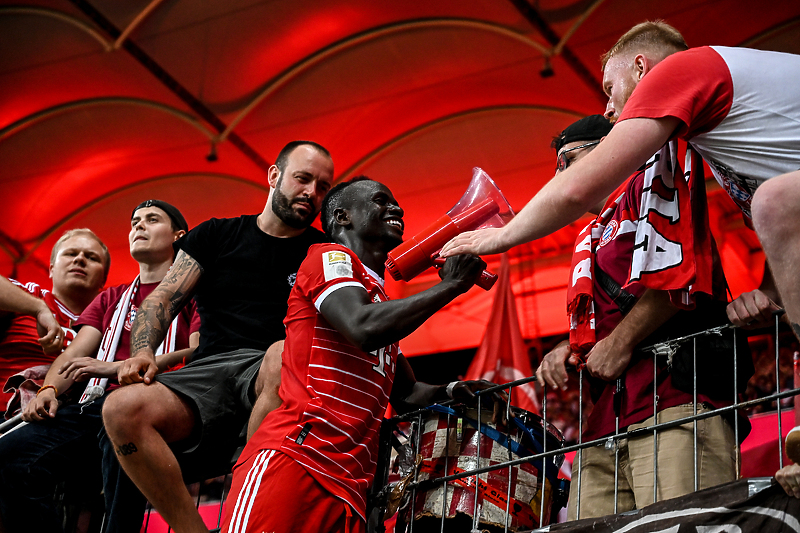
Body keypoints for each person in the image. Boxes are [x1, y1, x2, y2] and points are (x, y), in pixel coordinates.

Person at [439, 21, 800, 339]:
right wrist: (768, 290)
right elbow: (785, 223)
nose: (608, 109)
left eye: (610, 88)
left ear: (642, 68)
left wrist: (502, 235)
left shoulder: (679, 70)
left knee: (771, 201)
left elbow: (578, 187)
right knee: (771, 202)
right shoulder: (719, 134)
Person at [221, 177, 502, 533]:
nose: (396, 208)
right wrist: (451, 285)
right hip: (296, 459)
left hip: (351, 486)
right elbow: (361, 327)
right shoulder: (329, 256)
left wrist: (451, 391)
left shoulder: (380, 303)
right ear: (342, 216)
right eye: (381, 201)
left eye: (396, 202)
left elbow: (404, 393)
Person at [101, 141, 334, 532]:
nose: (312, 192)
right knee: (119, 408)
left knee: (281, 352)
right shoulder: (216, 235)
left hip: (279, 370)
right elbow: (162, 299)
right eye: (303, 178)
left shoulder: (324, 251)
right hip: (209, 373)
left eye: (323, 186)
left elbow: (358, 322)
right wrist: (142, 351)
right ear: (274, 176)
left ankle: (244, 513)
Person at [534, 116, 747, 519]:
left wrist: (620, 342)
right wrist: (570, 344)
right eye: (557, 165)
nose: (561, 174)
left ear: (613, 150)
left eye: (570, 159)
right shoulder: (591, 234)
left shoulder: (653, 186)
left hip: (677, 400)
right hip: (604, 425)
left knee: (681, 526)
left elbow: (681, 274)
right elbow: (609, 318)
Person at [0, 200, 198, 533]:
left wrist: (123, 366)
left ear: (179, 236)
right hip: (91, 407)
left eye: (152, 220)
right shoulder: (110, 298)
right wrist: (49, 389)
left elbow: (200, 352)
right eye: (135, 221)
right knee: (8, 457)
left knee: (123, 420)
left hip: (154, 405)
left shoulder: (195, 292)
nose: (138, 226)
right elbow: (73, 355)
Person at [1, 228, 109, 413]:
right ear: (51, 268)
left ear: (103, 280)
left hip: (75, 419)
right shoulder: (28, 295)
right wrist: (38, 308)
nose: (80, 259)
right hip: (7, 415)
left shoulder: (112, 325)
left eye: (92, 258)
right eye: (71, 253)